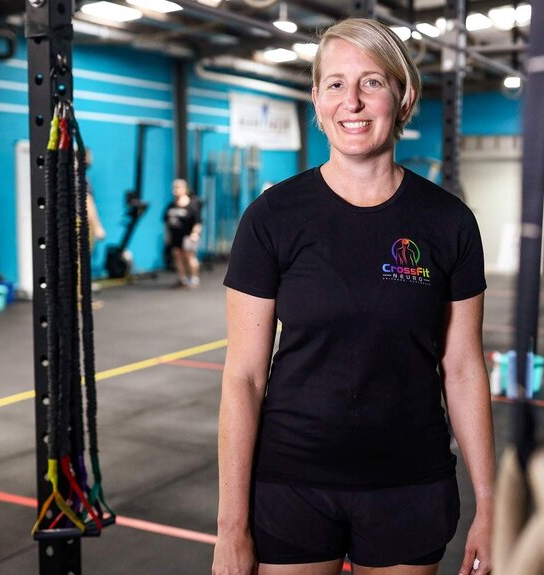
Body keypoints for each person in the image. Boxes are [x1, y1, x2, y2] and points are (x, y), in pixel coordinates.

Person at [213, 17, 495, 575]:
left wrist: (489, 502)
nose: (354, 102)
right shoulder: (273, 218)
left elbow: (462, 367)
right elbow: (244, 377)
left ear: (404, 95)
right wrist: (231, 528)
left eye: (372, 82)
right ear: (317, 101)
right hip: (291, 484)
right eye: (336, 85)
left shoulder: (448, 223)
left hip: (409, 484)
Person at [163, 178, 202, 288]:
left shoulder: (191, 205)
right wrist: (167, 236)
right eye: (174, 188)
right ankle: (182, 279)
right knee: (177, 256)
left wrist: (195, 234)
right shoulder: (171, 206)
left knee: (189, 257)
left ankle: (194, 279)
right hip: (175, 236)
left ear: (184, 189)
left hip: (188, 236)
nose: (175, 190)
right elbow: (166, 222)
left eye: (177, 187)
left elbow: (198, 222)